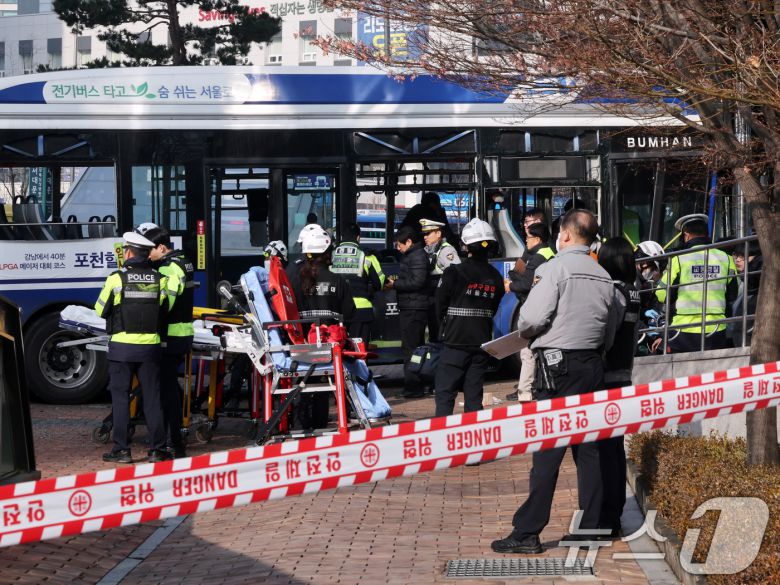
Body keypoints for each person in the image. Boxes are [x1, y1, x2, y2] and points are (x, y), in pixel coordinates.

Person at [491, 209, 624, 554]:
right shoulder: (603, 276)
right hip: (592, 364)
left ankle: (527, 532)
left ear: (564, 235)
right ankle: (591, 530)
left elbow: (532, 318)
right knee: (589, 450)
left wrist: (533, 333)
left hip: (556, 367)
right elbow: (609, 330)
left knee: (548, 450)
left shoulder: (555, 269)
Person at [95, 231, 177, 464]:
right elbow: (165, 309)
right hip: (150, 348)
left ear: (128, 253)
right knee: (152, 398)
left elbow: (100, 309)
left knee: (121, 398)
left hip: (121, 348)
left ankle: (122, 450)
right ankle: (157, 450)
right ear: (147, 254)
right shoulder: (160, 280)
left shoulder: (116, 279)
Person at [433, 219, 504, 416]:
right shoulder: (495, 277)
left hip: (455, 344)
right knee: (474, 397)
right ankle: (474, 441)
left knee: (445, 394)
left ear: (465, 246)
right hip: (480, 345)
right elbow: (494, 307)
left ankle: (443, 437)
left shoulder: (453, 272)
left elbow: (439, 306)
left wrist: (442, 332)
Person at [597, 237, 642, 537]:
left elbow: (606, 336)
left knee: (605, 452)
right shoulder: (635, 292)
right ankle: (613, 514)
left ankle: (608, 516)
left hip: (607, 375)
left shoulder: (614, 293)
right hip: (624, 375)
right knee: (614, 448)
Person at [293, 224, 356, 430]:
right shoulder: (337, 280)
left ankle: (300, 424)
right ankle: (321, 422)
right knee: (325, 384)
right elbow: (350, 312)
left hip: (302, 347)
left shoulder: (294, 280)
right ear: (327, 253)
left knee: (304, 385)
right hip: (331, 349)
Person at [141, 225, 195, 459]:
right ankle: (173, 439)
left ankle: (173, 442)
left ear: (162, 247)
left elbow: (165, 303)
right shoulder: (183, 261)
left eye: (149, 250)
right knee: (168, 387)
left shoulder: (170, 268)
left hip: (171, 336)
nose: (147, 255)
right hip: (181, 334)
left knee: (165, 390)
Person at [654, 214, 737, 353]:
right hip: (717, 331)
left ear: (686, 235)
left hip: (683, 333)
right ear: (706, 233)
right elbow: (734, 295)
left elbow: (662, 295)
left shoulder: (678, 260)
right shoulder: (726, 259)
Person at [505, 222, 555, 402]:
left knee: (527, 352)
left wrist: (510, 285)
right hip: (547, 305)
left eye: (528, 237)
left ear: (538, 239)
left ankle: (525, 392)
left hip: (535, 307)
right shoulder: (549, 252)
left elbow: (526, 284)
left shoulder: (536, 258)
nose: (526, 240)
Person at [385, 226, 429, 398]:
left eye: (399, 245)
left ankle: (413, 386)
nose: (398, 248)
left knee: (410, 349)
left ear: (409, 242)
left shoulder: (417, 257)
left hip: (414, 308)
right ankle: (415, 384)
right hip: (411, 306)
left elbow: (417, 282)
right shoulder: (413, 255)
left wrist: (394, 285)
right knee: (413, 348)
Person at [330, 222, 385, 341]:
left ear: (342, 238)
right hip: (361, 311)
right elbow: (380, 282)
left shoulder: (331, 255)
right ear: (358, 237)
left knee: (339, 351)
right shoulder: (366, 255)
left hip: (337, 310)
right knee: (359, 351)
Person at [420, 218, 461, 342]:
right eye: (424, 234)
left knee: (440, 335)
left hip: (442, 301)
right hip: (432, 300)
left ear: (438, 234)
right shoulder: (429, 250)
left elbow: (457, 274)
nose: (425, 237)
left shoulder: (446, 250)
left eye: (428, 233)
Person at [728, 239, 762, 347]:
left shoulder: (755, 284)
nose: (737, 260)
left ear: (755, 257)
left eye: (743, 256)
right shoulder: (745, 283)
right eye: (736, 256)